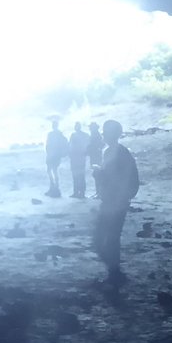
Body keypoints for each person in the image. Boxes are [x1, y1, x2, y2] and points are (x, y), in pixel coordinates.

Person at [92, 120, 139, 286]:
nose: (103, 134)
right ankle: (114, 272)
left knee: (105, 238)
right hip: (115, 200)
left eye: (105, 132)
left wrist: (99, 174)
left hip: (114, 202)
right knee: (108, 238)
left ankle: (115, 273)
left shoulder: (116, 153)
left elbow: (115, 179)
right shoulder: (117, 152)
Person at [45, 119, 69, 197]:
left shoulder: (55, 134)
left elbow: (48, 145)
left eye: (54, 124)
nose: (53, 126)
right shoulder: (58, 134)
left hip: (53, 155)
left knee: (53, 171)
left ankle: (55, 188)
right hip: (53, 155)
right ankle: (53, 188)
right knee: (51, 171)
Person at [67, 122, 90, 199]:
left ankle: (80, 192)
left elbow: (70, 145)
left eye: (76, 126)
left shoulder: (77, 135)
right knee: (77, 176)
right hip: (77, 158)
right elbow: (70, 146)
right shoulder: (82, 135)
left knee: (79, 176)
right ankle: (78, 192)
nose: (76, 127)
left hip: (78, 158)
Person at [88, 121, 104, 198]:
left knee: (97, 175)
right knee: (96, 175)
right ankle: (98, 192)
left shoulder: (96, 136)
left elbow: (98, 146)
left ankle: (99, 192)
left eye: (91, 127)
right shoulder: (95, 135)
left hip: (96, 158)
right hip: (95, 157)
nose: (90, 129)